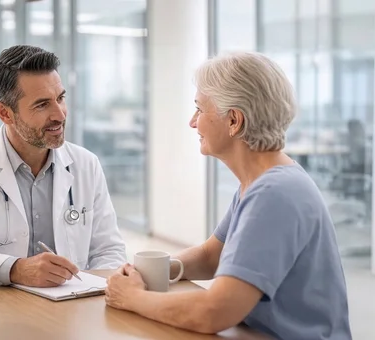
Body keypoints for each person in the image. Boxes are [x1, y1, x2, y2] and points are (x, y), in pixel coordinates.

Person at [105, 52, 352, 339]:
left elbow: (216, 311)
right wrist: (151, 271)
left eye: (199, 109)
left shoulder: (275, 194)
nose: (192, 122)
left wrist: (132, 298)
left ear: (234, 120)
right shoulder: (262, 181)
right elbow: (212, 255)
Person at [0, 45, 126, 289]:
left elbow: (109, 251)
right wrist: (16, 269)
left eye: (60, 98)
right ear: (5, 113)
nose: (59, 115)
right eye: (42, 105)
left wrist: (93, 291)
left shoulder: (85, 165)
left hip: (69, 312)